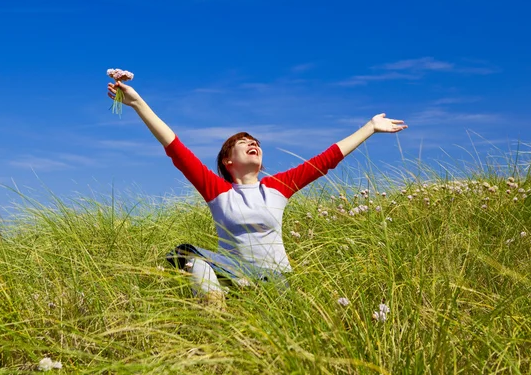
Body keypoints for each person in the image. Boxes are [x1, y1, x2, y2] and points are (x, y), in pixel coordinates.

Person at [107, 80, 408, 306]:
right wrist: (137, 103)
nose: (253, 143)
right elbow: (175, 147)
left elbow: (326, 160)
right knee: (192, 258)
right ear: (228, 160)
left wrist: (370, 127)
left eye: (256, 142)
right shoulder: (217, 190)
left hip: (276, 279)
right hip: (233, 273)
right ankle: (215, 316)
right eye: (244, 142)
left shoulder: (277, 187)